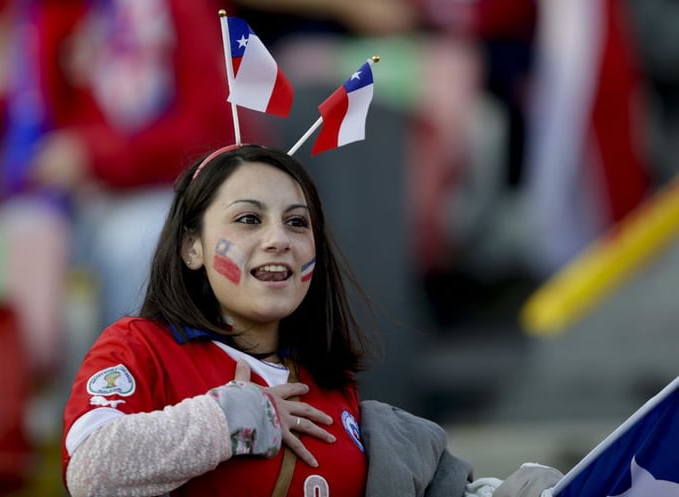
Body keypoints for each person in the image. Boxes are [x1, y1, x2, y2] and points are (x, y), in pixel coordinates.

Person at [61, 143, 564, 497]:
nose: (280, 238)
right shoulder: (140, 346)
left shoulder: (331, 383)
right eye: (249, 218)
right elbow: (92, 471)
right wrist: (232, 418)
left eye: (297, 222)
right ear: (192, 246)